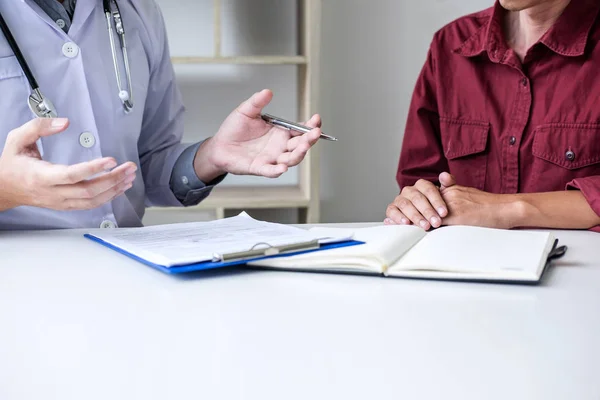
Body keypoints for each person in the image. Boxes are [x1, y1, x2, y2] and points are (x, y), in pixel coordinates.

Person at [0, 0, 321, 230]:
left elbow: (145, 165)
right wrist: (8, 190)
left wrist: (212, 155)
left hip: (124, 266)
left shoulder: (139, 11)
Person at [385, 0, 600, 232]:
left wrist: (505, 209)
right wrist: (417, 203)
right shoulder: (449, 44)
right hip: (462, 262)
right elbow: (419, 178)